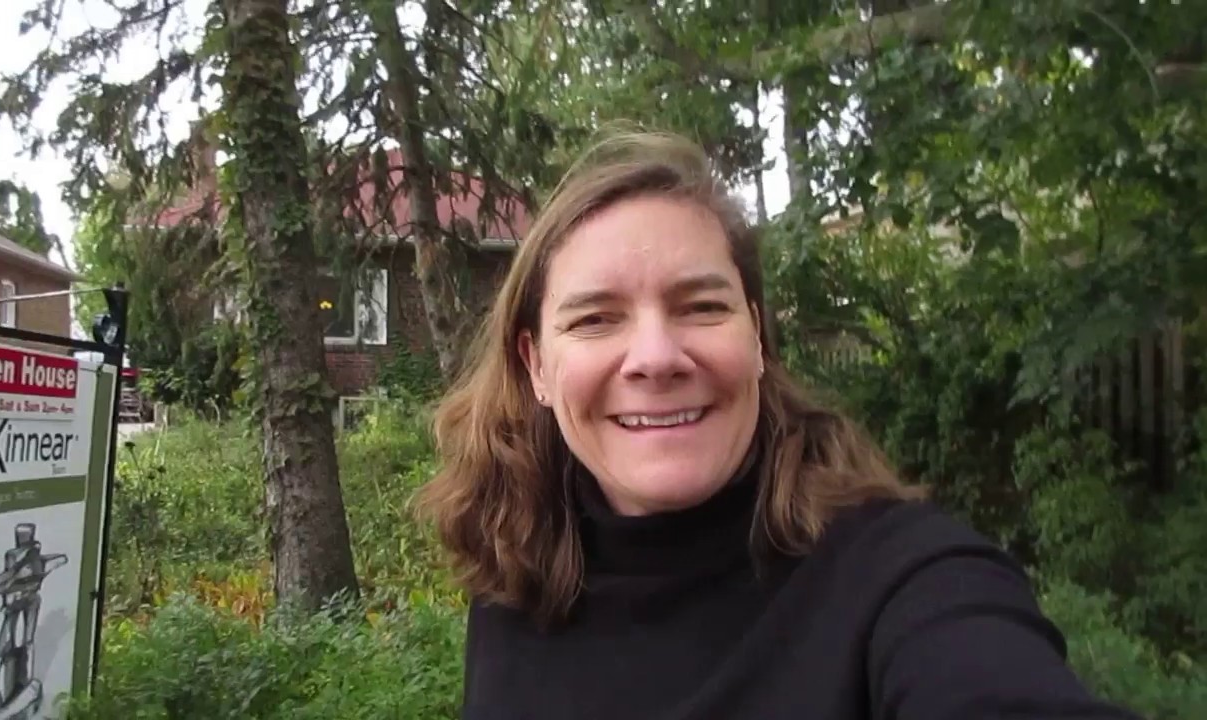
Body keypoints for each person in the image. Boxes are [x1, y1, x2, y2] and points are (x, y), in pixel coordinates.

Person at [415, 130, 1142, 719]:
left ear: (758, 339)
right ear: (537, 366)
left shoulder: (899, 579)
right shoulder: (518, 569)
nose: (657, 357)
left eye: (702, 307)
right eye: (596, 319)